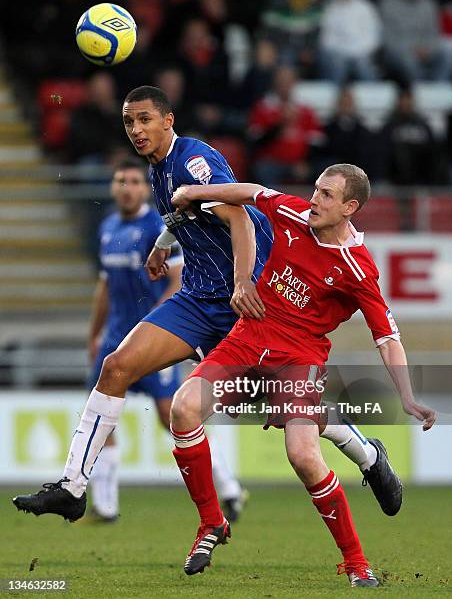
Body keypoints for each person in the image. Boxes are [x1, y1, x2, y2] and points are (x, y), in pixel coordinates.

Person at [13, 86, 401, 526]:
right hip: (198, 297)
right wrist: (162, 244)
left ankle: (367, 453)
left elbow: (239, 218)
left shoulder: (192, 161)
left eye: (144, 119)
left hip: (246, 300)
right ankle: (72, 487)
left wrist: (241, 284)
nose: (136, 130)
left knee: (290, 407)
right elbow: (187, 215)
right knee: (116, 365)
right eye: (128, 122)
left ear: (168, 120)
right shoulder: (158, 169)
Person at [168, 166, 437, 586]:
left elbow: (386, 336)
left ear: (350, 208)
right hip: (247, 339)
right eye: (315, 190)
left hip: (299, 358)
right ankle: (211, 524)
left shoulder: (357, 268)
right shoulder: (292, 214)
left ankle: (356, 563)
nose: (314, 199)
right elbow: (252, 191)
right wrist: (190, 190)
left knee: (303, 455)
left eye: (327, 195)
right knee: (183, 410)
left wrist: (407, 396)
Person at [87, 157, 246, 522]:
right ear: (113, 187)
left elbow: (177, 280)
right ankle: (105, 504)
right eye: (119, 181)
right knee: (101, 413)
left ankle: (229, 487)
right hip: (115, 336)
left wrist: (159, 327)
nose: (126, 188)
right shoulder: (108, 227)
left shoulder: (157, 226)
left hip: (152, 334)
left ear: (144, 188)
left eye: (133, 181)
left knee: (169, 414)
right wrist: (94, 334)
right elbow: (105, 287)